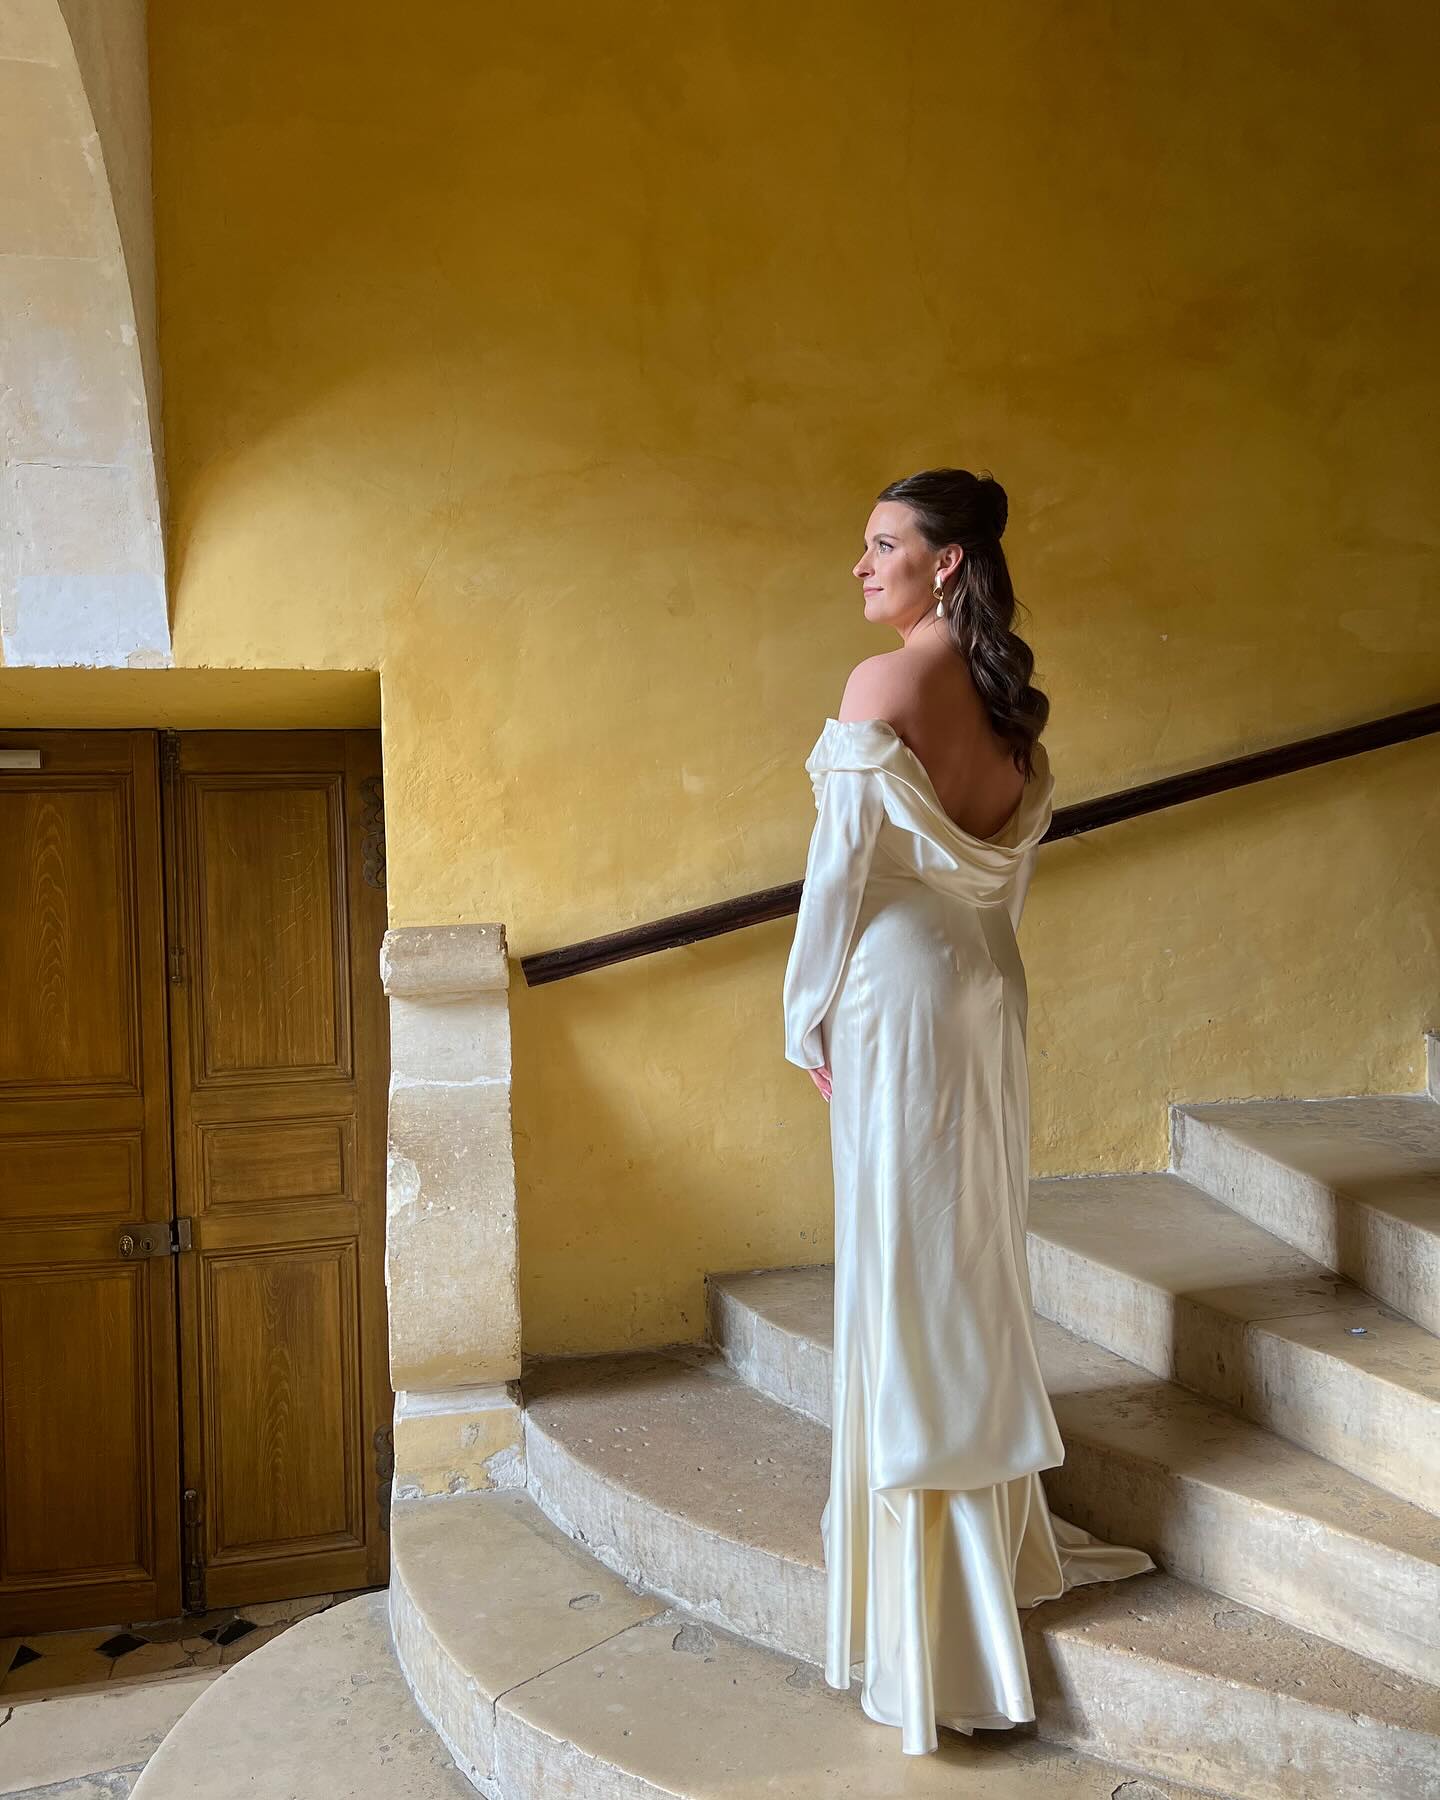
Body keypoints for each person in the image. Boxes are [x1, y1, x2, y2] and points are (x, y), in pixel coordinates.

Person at [781, 466, 1155, 1756]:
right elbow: (997, 880)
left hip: (894, 992)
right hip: (985, 988)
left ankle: (936, 1631)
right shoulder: (1010, 708)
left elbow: (836, 882)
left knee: (908, 1266)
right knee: (968, 1255)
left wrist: (800, 1011)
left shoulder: (881, 686)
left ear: (947, 563)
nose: (860, 564)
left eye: (883, 544)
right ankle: (981, 1550)